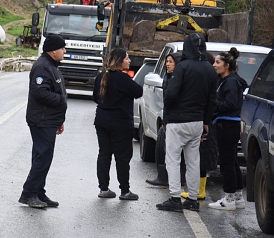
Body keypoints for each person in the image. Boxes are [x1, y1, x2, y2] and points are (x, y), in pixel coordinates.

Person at [157, 33, 217, 213]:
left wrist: (169, 109)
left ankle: (175, 198)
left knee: (173, 159)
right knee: (193, 161)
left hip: (178, 120)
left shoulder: (182, 67)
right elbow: (211, 99)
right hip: (198, 121)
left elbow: (172, 93)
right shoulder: (210, 69)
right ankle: (192, 199)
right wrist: (206, 122)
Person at [19, 34, 67, 209]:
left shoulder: (51, 66)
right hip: (41, 120)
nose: (64, 51)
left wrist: (59, 120)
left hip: (48, 120)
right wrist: (61, 99)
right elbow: (40, 92)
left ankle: (39, 191)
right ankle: (29, 194)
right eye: (62, 48)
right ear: (53, 50)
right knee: (42, 158)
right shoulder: (42, 67)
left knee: (43, 157)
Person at [93, 48, 143, 200]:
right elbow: (138, 91)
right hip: (120, 123)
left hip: (101, 120)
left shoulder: (102, 76)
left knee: (104, 154)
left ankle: (103, 188)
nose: (129, 61)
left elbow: (96, 98)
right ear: (120, 61)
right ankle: (125, 190)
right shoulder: (122, 78)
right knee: (122, 157)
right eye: (127, 58)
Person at [209, 47, 248, 211]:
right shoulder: (226, 81)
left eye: (217, 62)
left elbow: (230, 104)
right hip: (227, 123)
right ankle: (238, 197)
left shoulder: (231, 82)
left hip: (227, 124)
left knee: (226, 163)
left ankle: (229, 198)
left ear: (227, 65)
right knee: (231, 161)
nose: (214, 65)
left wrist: (214, 104)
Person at [146, 52, 181, 187]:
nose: (167, 64)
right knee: (166, 150)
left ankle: (171, 182)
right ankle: (163, 177)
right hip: (168, 119)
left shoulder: (176, 80)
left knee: (173, 153)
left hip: (176, 121)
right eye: (167, 61)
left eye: (170, 62)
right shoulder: (168, 77)